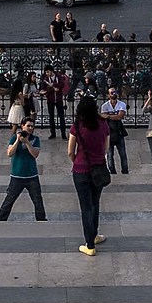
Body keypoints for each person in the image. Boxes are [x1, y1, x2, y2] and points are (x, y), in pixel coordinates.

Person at [67, 95, 108, 255]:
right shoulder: (103, 124)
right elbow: (106, 147)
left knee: (86, 207)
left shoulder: (77, 126)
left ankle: (89, 245)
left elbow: (70, 151)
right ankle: (94, 234)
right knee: (95, 203)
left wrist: (77, 160)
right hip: (98, 169)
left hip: (81, 170)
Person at [0, 115, 46, 221]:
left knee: (37, 200)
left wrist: (27, 142)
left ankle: (41, 219)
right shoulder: (14, 138)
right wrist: (18, 140)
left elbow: (35, 154)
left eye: (32, 126)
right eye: (28, 126)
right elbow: (9, 153)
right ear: (22, 126)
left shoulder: (35, 139)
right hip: (17, 176)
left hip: (32, 175)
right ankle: (0, 219)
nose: (30, 128)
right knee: (9, 199)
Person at [101, 88, 130, 173]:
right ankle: (112, 172)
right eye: (111, 92)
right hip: (109, 132)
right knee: (110, 155)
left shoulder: (121, 104)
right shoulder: (105, 106)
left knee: (123, 154)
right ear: (108, 95)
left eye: (115, 92)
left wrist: (109, 116)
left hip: (118, 131)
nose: (114, 94)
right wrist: (114, 116)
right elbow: (103, 117)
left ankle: (125, 171)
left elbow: (120, 116)